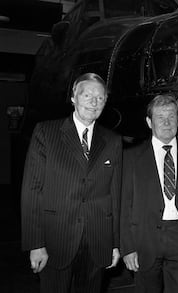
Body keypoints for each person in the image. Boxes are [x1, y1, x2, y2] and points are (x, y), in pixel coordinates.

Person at [21, 72, 122, 292]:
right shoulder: (46, 133)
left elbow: (115, 195)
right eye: (87, 95)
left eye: (100, 98)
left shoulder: (113, 141)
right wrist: (36, 244)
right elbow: (32, 190)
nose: (94, 102)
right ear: (73, 98)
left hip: (97, 241)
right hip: (56, 240)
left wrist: (114, 243)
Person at [120, 94, 178, 293]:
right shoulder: (131, 157)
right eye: (160, 117)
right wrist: (128, 247)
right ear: (149, 122)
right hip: (145, 239)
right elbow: (124, 204)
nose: (166, 122)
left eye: (171, 116)